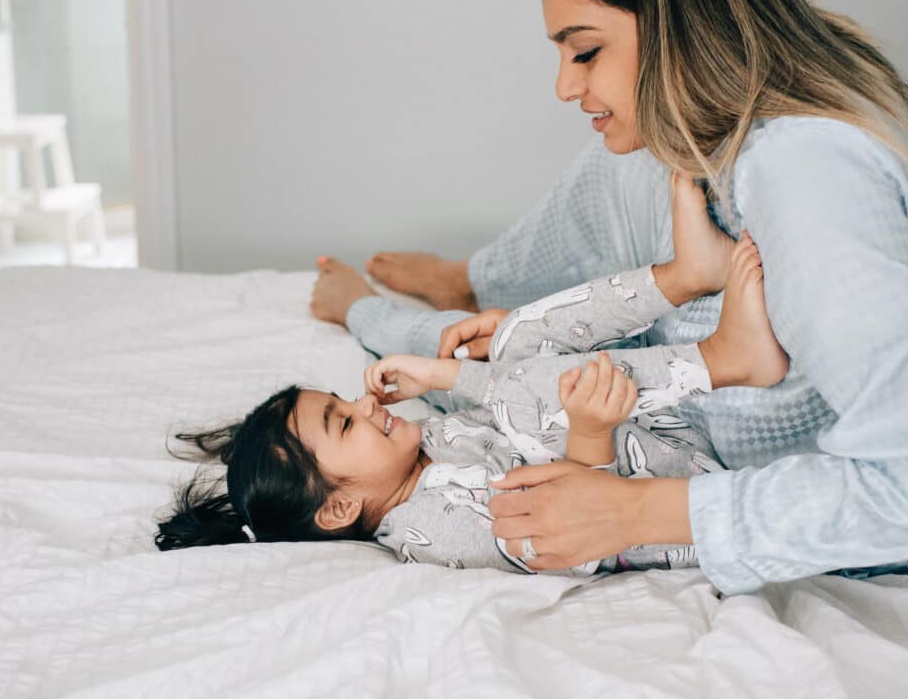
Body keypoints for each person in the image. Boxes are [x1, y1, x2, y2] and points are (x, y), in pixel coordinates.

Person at [316, 0, 908, 594]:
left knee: (484, 355)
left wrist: (634, 509)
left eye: (586, 51)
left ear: (680, 25)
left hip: (741, 458)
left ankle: (386, 306)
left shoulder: (810, 180)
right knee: (505, 335)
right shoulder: (708, 138)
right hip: (694, 396)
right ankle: (472, 283)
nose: (563, 85)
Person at [159, 191, 789, 575]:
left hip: (646, 437)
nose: (362, 403)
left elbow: (507, 395)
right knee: (517, 384)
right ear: (341, 507)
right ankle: (724, 358)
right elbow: (564, 541)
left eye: (342, 401)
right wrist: (590, 435)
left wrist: (439, 373)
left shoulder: (418, 448)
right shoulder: (430, 529)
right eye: (344, 421)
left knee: (511, 344)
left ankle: (681, 277)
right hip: (662, 495)